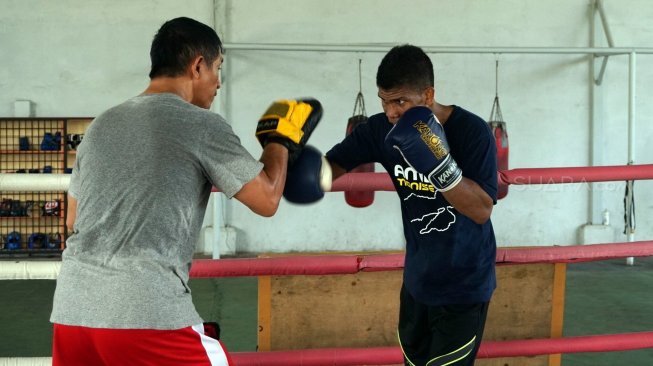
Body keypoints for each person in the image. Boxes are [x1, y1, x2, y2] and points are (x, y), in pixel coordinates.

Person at [50, 17, 320, 366]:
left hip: (73, 312)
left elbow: (74, 218)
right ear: (197, 66)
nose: (218, 82)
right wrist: (278, 142)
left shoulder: (101, 124)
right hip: (144, 312)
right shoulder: (200, 124)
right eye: (217, 68)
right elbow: (267, 199)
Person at [286, 44, 497, 365]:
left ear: (428, 95)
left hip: (464, 288)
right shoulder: (379, 129)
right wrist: (286, 151)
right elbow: (328, 173)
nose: (391, 112)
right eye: (385, 102)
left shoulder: (471, 131)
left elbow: (481, 209)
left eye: (400, 101)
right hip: (417, 283)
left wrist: (441, 165)